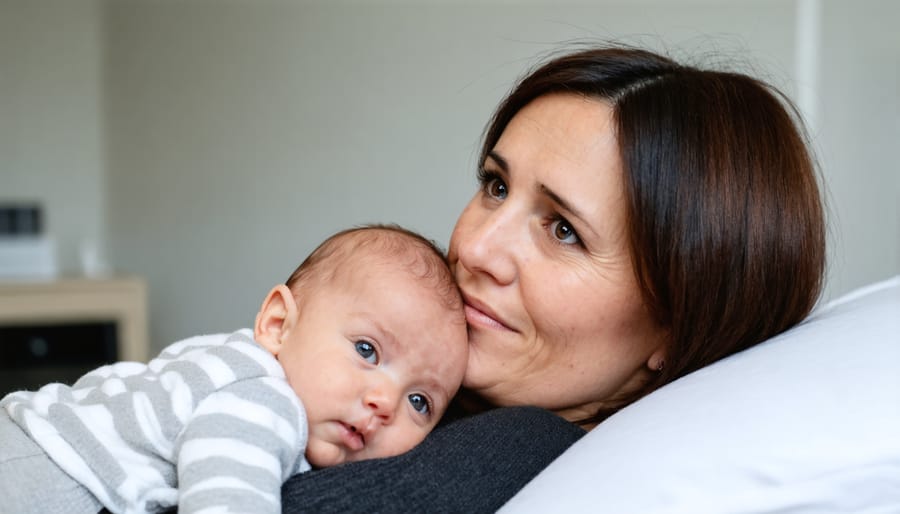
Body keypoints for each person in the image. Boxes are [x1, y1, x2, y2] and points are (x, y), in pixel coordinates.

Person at [277, 44, 826, 512]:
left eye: (564, 230)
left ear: (678, 327)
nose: (474, 247)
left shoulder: (516, 448)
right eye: (495, 186)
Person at [0, 225, 468, 514]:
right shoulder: (265, 400)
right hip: (44, 472)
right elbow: (226, 498)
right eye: (367, 350)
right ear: (278, 324)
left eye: (419, 401)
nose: (384, 402)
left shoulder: (238, 363)